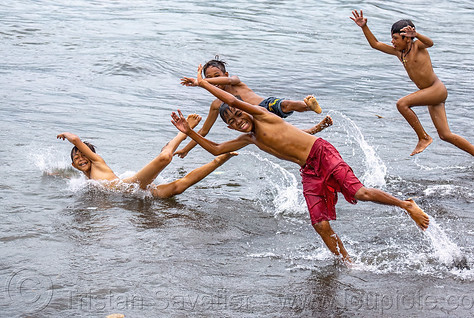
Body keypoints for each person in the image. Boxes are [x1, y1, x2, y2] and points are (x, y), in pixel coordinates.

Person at [170, 65, 430, 264]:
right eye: (234, 122)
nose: (239, 120)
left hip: (321, 152)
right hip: (308, 170)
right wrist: (188, 133)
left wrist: (204, 84)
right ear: (229, 127)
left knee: (359, 193)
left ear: (246, 110)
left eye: (240, 114)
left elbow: (234, 101)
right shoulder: (248, 139)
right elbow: (216, 148)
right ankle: (348, 262)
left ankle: (406, 205)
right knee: (319, 225)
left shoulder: (261, 115)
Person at [350, 10, 474, 173]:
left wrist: (416, 35)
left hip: (436, 89)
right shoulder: (399, 53)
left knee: (402, 104)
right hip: (430, 94)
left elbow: (430, 43)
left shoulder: (418, 46)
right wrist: (364, 27)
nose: (392, 41)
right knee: (445, 135)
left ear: (407, 38)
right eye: (392, 38)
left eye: (396, 38)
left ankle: (423, 137)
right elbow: (375, 44)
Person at [57, 114, 236, 199]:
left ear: (91, 156)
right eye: (77, 158)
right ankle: (219, 160)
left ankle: (184, 131)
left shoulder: (97, 162)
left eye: (83, 155)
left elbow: (76, 139)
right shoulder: (84, 177)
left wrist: (67, 134)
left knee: (165, 158)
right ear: (74, 165)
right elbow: (67, 175)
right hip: (137, 194)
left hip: (131, 185)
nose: (81, 158)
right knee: (179, 187)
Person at [175, 57, 323, 158]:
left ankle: (308, 106)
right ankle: (310, 131)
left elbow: (229, 87)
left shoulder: (235, 81)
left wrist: (201, 82)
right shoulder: (216, 104)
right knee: (281, 136)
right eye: (210, 78)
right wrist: (186, 149)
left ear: (225, 74)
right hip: (256, 124)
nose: (214, 80)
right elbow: (204, 131)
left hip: (265, 107)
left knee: (286, 104)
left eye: (216, 76)